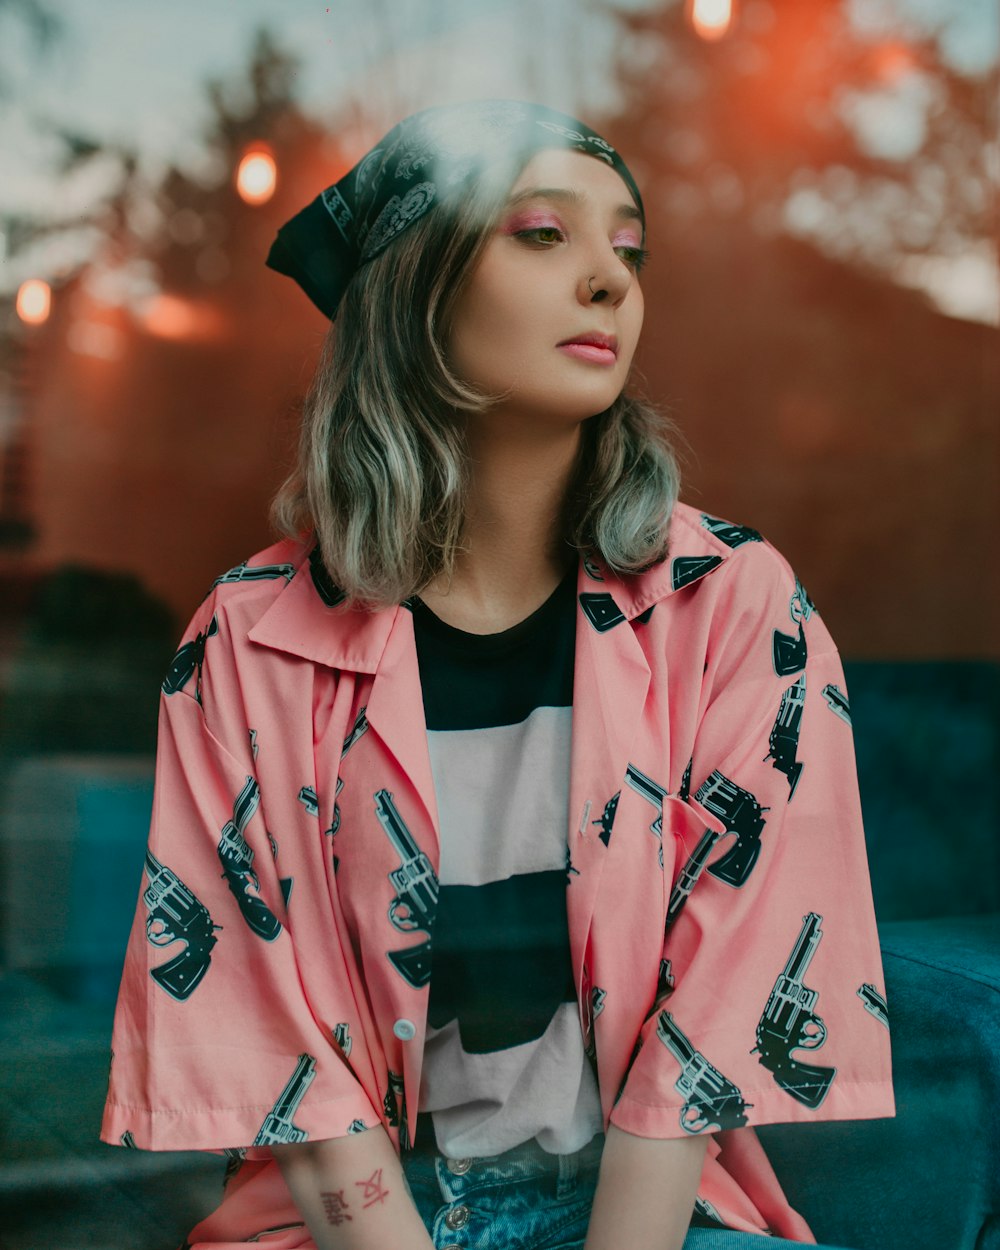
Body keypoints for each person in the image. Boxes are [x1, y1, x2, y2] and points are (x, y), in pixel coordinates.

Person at [102, 100, 894, 1250]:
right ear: (412, 293)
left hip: (648, 1207)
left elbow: (718, 1019)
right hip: (356, 1221)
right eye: (541, 232)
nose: (606, 282)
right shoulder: (251, 639)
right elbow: (282, 1042)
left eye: (627, 249)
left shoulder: (732, 604)